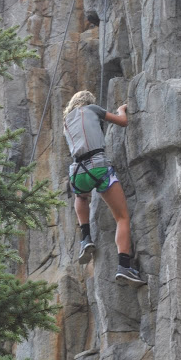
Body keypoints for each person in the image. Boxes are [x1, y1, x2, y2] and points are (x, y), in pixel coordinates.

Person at [63, 90, 144, 286]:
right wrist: (121, 109)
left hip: (77, 172)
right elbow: (122, 121)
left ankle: (85, 238)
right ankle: (124, 266)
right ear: (88, 101)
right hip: (98, 167)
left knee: (81, 197)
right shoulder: (92, 109)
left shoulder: (66, 122)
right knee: (122, 217)